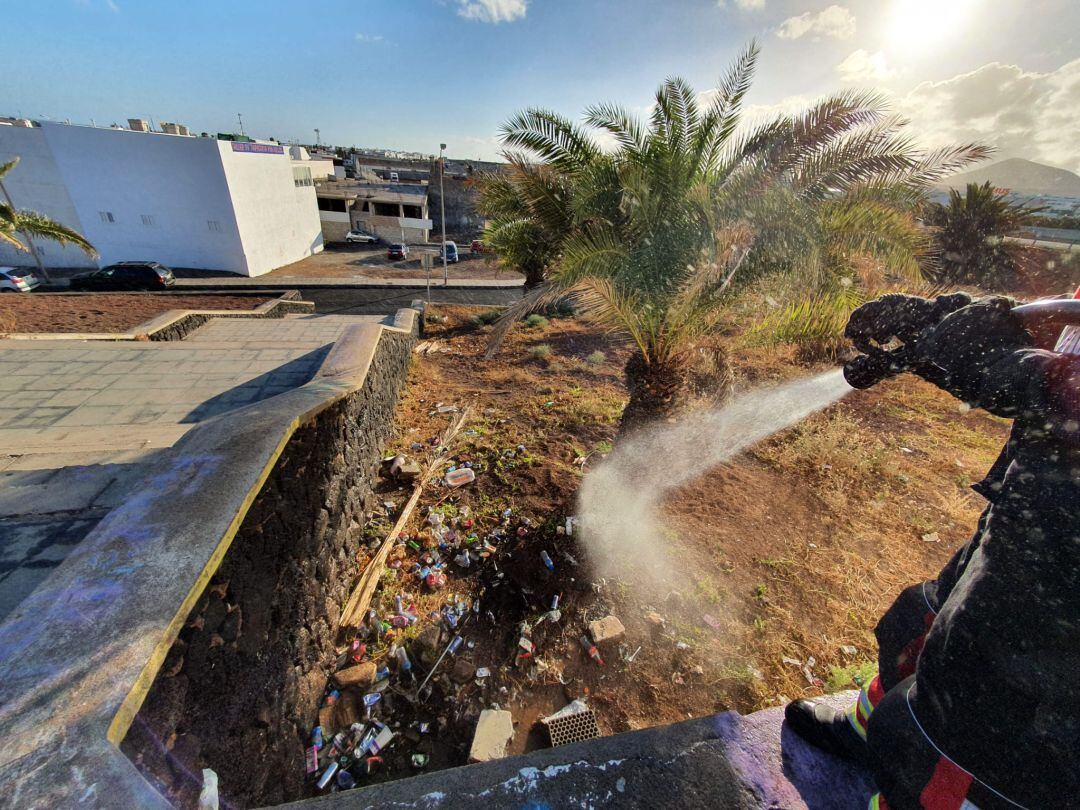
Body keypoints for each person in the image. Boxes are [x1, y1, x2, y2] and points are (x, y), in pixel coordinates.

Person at [784, 291, 1080, 809]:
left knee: (986, 720)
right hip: (1039, 501)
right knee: (929, 620)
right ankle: (869, 730)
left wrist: (1022, 373)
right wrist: (943, 332)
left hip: (1065, 575)